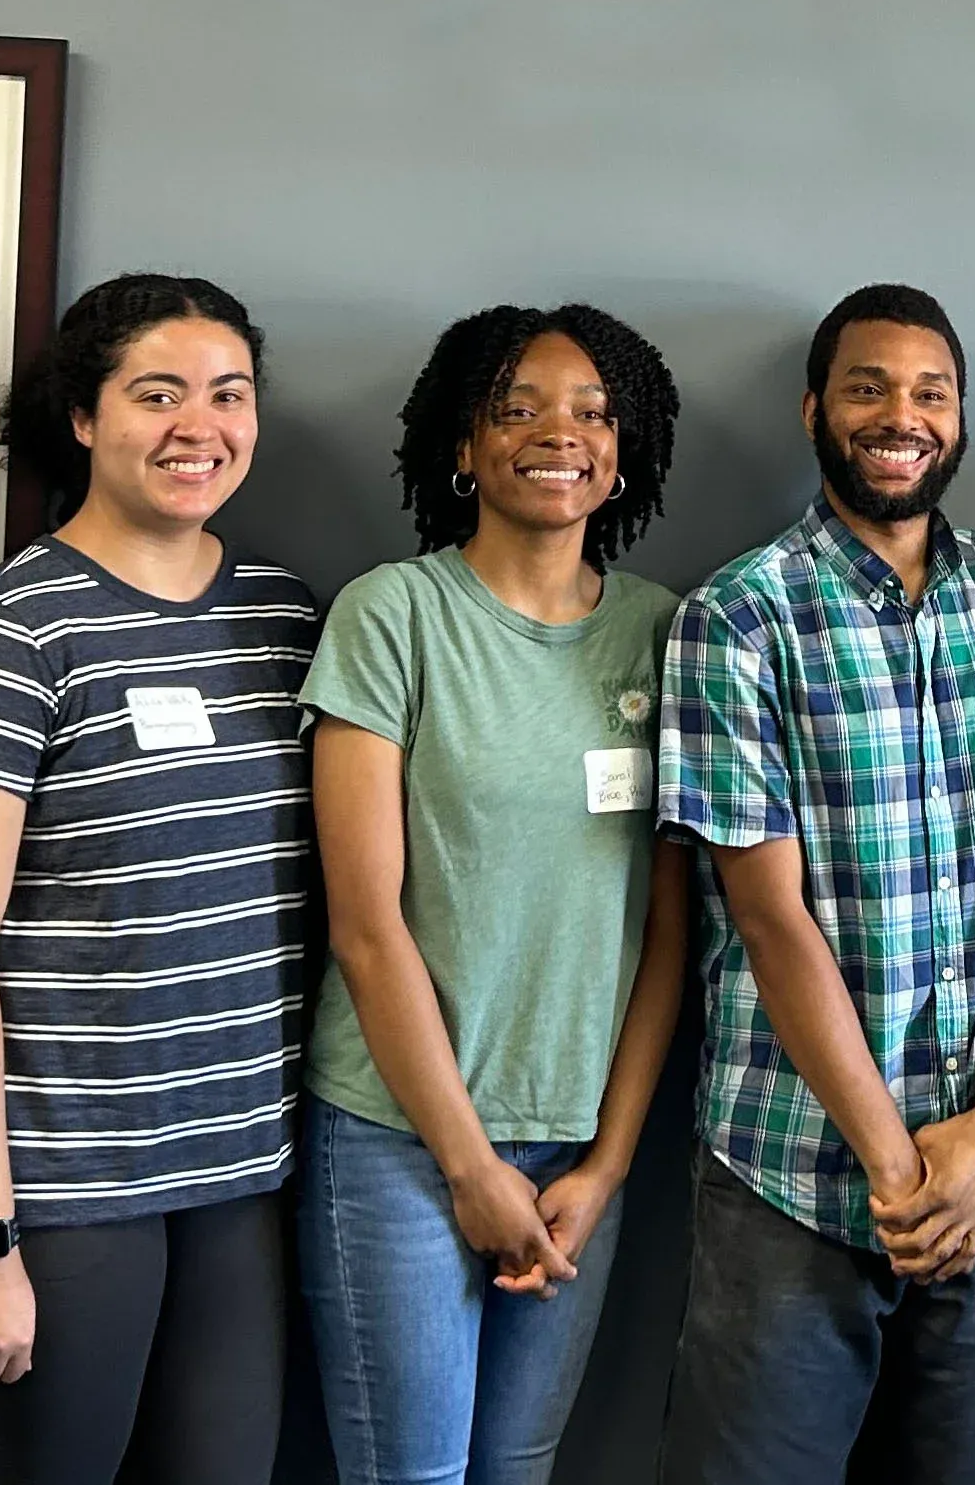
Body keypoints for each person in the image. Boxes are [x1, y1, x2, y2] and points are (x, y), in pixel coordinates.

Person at [0, 274, 317, 1485]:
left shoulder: (285, 620)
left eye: (227, 395)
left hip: (230, 1178)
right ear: (81, 416)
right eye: (156, 393)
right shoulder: (7, 634)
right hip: (50, 1190)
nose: (198, 426)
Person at [653, 283, 975, 1485]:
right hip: (792, 1164)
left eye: (930, 391)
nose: (902, 415)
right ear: (812, 412)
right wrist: (894, 1165)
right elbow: (766, 914)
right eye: (867, 387)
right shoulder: (736, 619)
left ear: (959, 417)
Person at [296, 304, 691, 1483]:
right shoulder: (393, 615)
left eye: (589, 411)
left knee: (516, 1467)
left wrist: (607, 1163)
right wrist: (468, 1165)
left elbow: (669, 933)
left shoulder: (667, 633)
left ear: (624, 449)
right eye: (514, 408)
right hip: (398, 1137)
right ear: (461, 447)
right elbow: (366, 927)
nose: (555, 433)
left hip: (582, 1139)